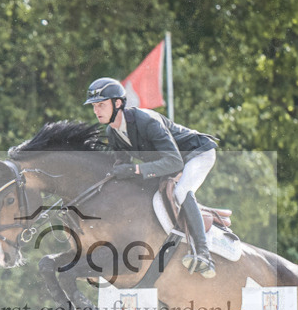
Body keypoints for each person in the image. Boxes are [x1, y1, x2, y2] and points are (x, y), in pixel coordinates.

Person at [84, 76, 219, 278]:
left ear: (118, 103)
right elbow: (122, 166)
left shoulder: (147, 121)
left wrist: (135, 171)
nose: (96, 111)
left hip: (196, 154)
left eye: (101, 105)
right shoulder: (112, 133)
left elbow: (174, 162)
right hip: (172, 162)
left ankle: (204, 254)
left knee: (181, 192)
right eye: (94, 106)